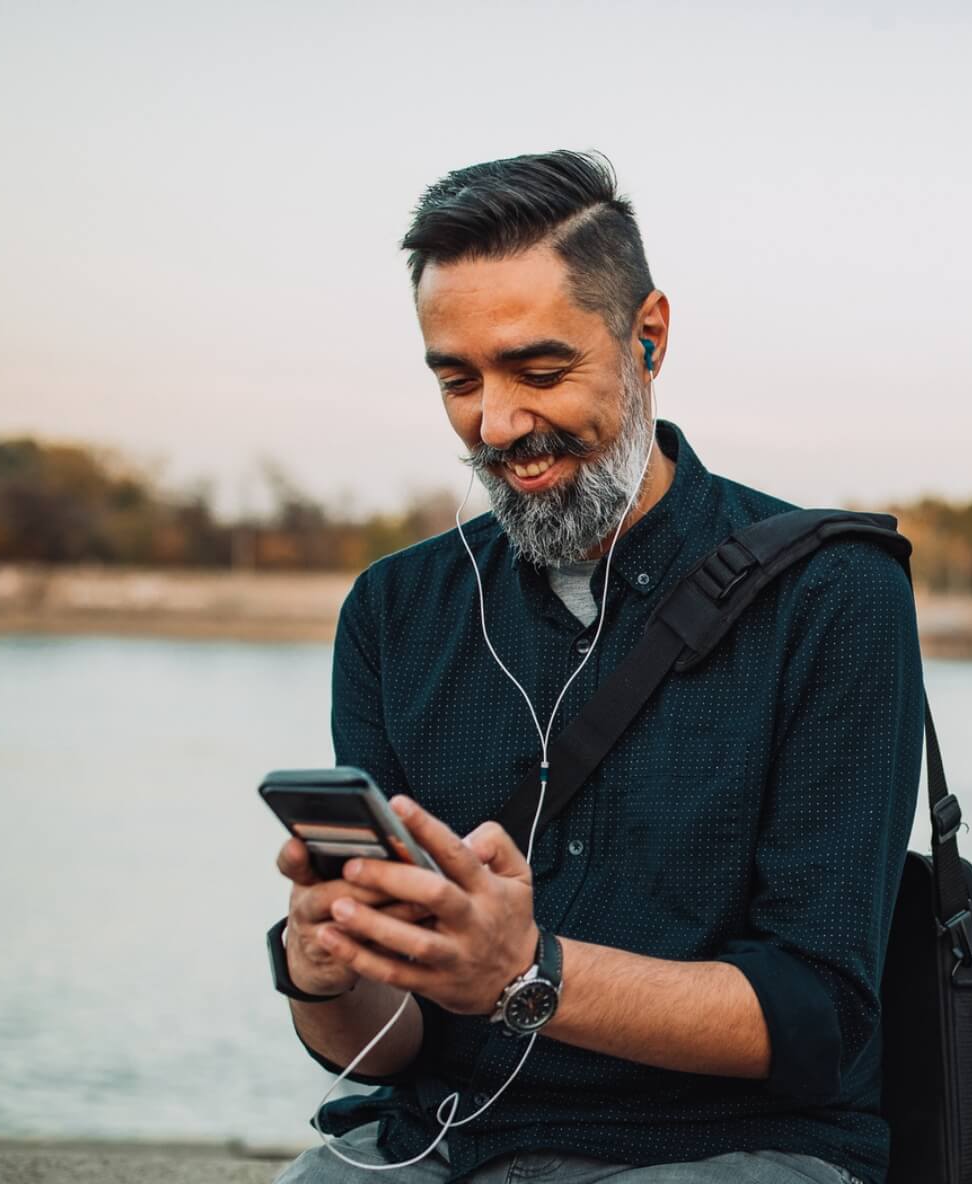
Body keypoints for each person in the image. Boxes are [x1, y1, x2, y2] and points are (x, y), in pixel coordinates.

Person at [266, 149, 925, 1184]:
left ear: (647, 336)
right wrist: (324, 974)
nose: (496, 425)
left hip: (734, 1151)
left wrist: (525, 972)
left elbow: (820, 1015)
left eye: (539, 372)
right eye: (457, 379)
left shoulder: (834, 593)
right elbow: (388, 1047)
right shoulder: (392, 612)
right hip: (441, 1147)